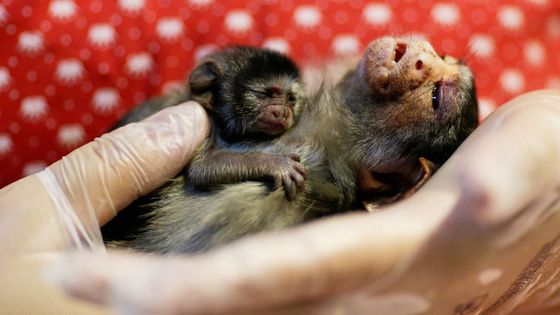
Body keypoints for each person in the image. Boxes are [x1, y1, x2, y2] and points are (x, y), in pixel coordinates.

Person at [1, 91, 560, 315]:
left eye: (438, 93)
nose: (423, 63)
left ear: (396, 179)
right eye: (438, 57)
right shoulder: (283, 89)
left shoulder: (342, 195)